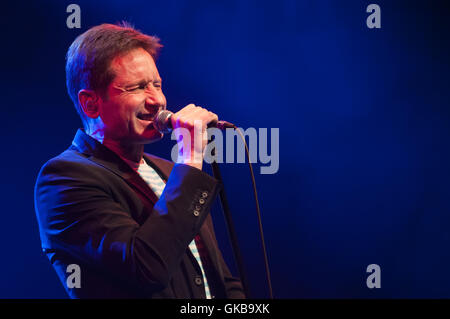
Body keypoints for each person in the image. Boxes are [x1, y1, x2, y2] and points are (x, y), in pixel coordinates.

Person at [34, 22, 245, 299]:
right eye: (137, 87)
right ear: (91, 103)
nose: (157, 100)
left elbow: (217, 275)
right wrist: (192, 156)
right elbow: (146, 269)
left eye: (157, 85)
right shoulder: (64, 180)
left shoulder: (172, 172)